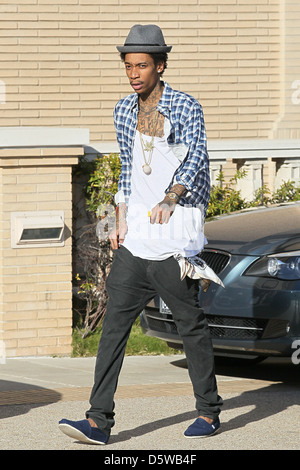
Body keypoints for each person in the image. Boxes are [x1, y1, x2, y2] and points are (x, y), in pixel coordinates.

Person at [59, 24, 223, 445]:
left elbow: (198, 160)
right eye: (129, 66)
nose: (134, 73)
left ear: (160, 65)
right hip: (136, 240)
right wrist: (120, 217)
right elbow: (129, 170)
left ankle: (208, 411)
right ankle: (97, 421)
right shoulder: (122, 110)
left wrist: (170, 197)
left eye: (142, 66)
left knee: (190, 324)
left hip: (173, 238)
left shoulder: (185, 107)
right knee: (114, 327)